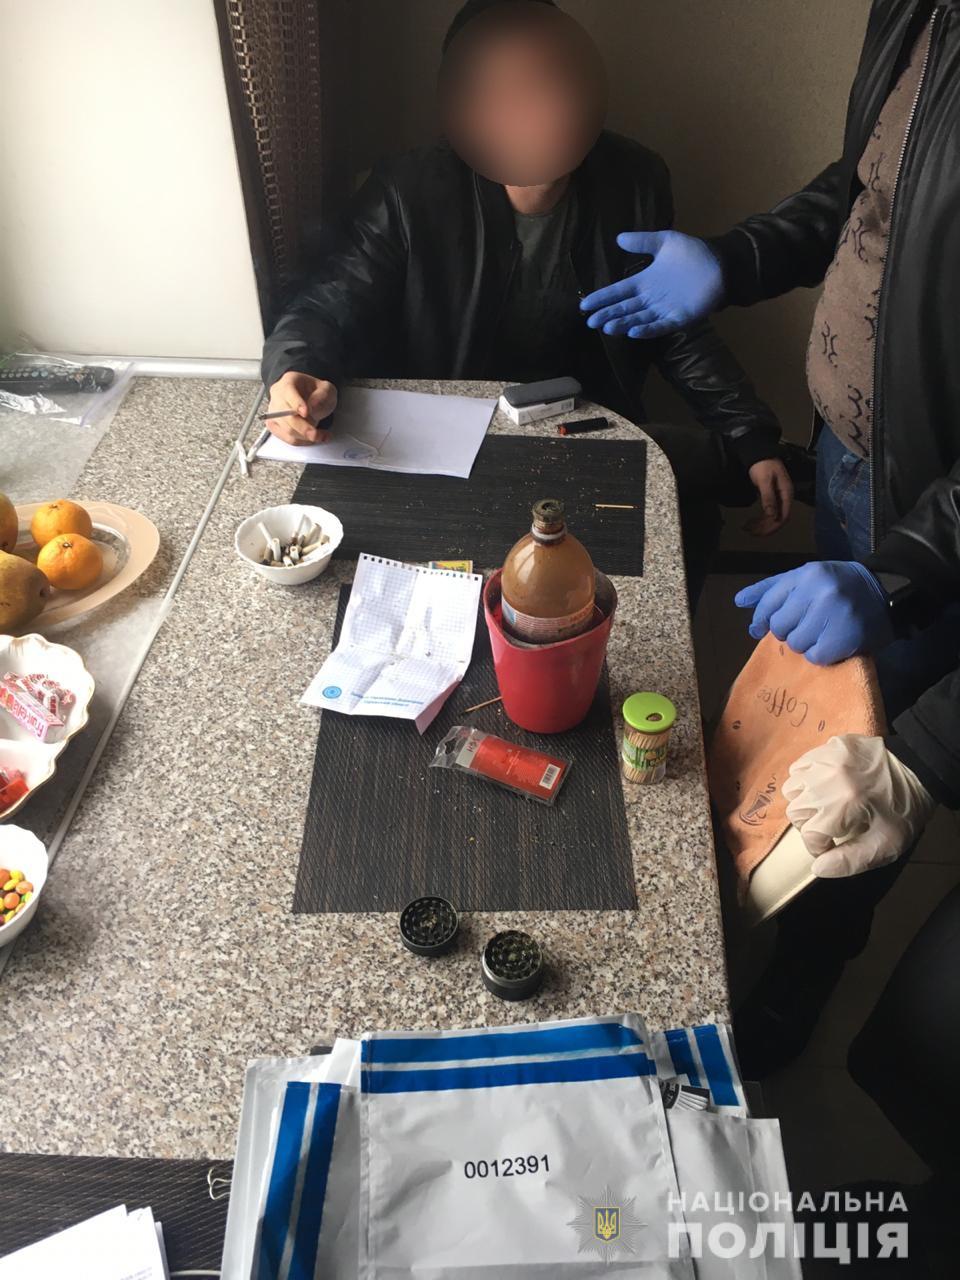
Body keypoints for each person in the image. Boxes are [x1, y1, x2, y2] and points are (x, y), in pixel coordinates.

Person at [581, 0, 960, 1075]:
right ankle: (767, 915)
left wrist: (904, 572)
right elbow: (872, 189)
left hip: (929, 517)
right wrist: (737, 258)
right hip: (857, 461)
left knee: (865, 776)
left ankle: (800, 983)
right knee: (815, 730)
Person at [261, 0, 794, 601]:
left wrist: (748, 432)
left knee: (676, 520)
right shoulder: (409, 190)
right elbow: (330, 299)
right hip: (453, 428)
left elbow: (670, 322)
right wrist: (293, 368)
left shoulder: (634, 179)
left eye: (545, 84)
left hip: (583, 418)